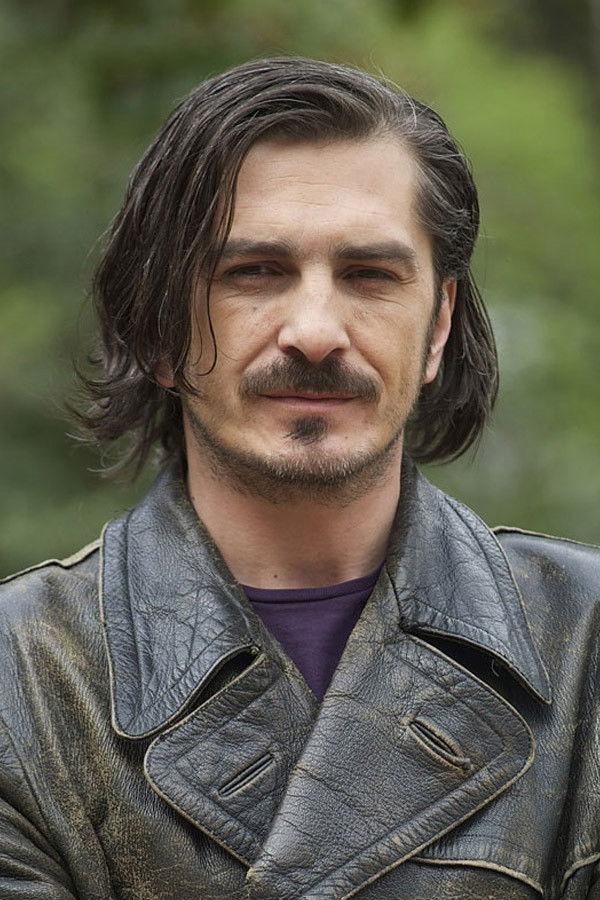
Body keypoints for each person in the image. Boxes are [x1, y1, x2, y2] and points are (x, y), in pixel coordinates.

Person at [0, 56, 598, 900]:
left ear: (437, 326)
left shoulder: (586, 647)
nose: (315, 332)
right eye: (255, 272)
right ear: (160, 329)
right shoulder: (21, 680)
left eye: (369, 275)